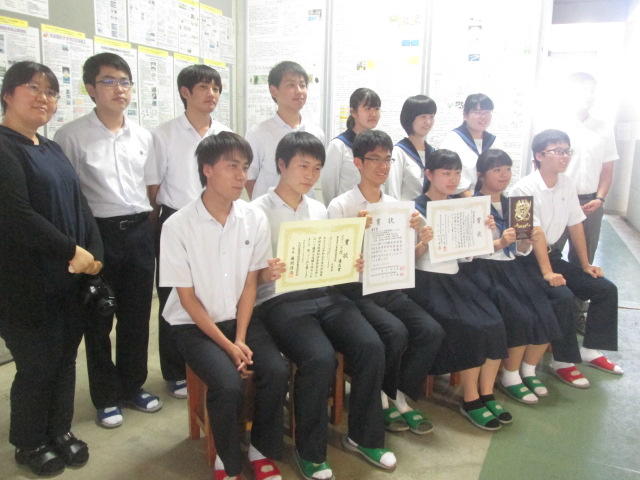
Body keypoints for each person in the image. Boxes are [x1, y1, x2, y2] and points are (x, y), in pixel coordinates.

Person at [253, 131, 395, 479]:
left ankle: (363, 437)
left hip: (325, 294)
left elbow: (333, 256)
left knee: (371, 345)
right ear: (281, 165)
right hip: (280, 300)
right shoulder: (256, 211)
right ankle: (310, 450)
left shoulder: (318, 208)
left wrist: (350, 260)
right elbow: (245, 273)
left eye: (317, 168)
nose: (311, 175)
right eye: (303, 166)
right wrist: (265, 272)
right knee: (319, 358)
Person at [160, 132, 288, 480]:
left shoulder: (253, 217)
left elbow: (250, 284)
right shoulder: (177, 226)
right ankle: (227, 461)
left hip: (239, 318)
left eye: (244, 167)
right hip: (194, 325)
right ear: (207, 169)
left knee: (276, 371)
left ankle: (261, 449)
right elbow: (187, 299)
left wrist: (241, 338)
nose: (241, 176)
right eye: (232, 166)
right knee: (227, 384)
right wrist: (228, 346)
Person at [0, 61, 103, 476]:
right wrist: (71, 250)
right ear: (7, 95)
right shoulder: (4, 148)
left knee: (65, 357)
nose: (44, 98)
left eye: (52, 91)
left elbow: (80, 204)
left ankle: (59, 430)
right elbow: (16, 215)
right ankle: (29, 442)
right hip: (23, 281)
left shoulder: (51, 148)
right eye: (33, 88)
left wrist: (94, 253)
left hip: (68, 278)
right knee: (37, 363)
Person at [54, 53, 161, 428]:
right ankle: (105, 396)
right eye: (109, 81)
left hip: (139, 232)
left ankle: (133, 386)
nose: (119, 89)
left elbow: (151, 189)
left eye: (125, 81)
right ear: (90, 88)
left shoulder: (144, 135)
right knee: (98, 319)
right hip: (97, 234)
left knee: (136, 317)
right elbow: (68, 195)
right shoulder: (70, 136)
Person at [327, 129, 445, 434]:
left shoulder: (397, 206)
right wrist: (355, 230)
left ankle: (397, 392)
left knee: (431, 331)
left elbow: (406, 258)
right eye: (375, 159)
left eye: (387, 159)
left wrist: (423, 242)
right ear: (358, 162)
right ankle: (381, 394)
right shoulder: (340, 206)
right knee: (394, 331)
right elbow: (333, 262)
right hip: (354, 290)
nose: (383, 166)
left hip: (389, 285)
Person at [510, 129, 622, 388]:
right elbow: (532, 236)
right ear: (539, 156)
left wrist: (585, 265)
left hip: (552, 256)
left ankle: (590, 349)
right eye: (557, 151)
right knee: (563, 296)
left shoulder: (567, 184)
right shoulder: (521, 190)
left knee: (604, 288)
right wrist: (547, 273)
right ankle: (562, 361)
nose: (564, 157)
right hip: (525, 262)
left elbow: (575, 224)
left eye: (567, 151)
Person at [407, 149, 510, 431]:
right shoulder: (414, 209)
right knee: (471, 327)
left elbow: (468, 254)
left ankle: (487, 392)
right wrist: (424, 242)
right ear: (429, 174)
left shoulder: (461, 207)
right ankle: (470, 397)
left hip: (457, 278)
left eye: (456, 173)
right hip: (427, 281)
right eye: (445, 173)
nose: (452, 179)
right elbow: (407, 260)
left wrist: (489, 233)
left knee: (495, 322)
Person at [149, 64, 232, 399]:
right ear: (185, 92)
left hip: (216, 220)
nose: (211, 94)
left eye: (216, 88)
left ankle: (212, 360)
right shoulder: (164, 134)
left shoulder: (225, 134)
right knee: (173, 296)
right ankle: (174, 371)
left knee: (212, 292)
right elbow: (153, 187)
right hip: (176, 221)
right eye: (204, 87)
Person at [462, 149, 563, 404]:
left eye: (507, 169)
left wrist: (526, 241)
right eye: (496, 170)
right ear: (481, 174)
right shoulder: (471, 205)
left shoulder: (517, 205)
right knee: (520, 314)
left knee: (545, 309)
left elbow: (519, 251)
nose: (504, 175)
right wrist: (500, 242)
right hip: (482, 269)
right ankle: (510, 375)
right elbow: (467, 251)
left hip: (511, 266)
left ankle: (528, 370)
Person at [547, 73, 619, 331]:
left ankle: (576, 314)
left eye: (591, 91)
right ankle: (553, 312)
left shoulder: (603, 127)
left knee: (583, 259)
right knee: (551, 254)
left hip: (590, 203)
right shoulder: (555, 124)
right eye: (582, 90)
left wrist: (600, 198)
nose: (588, 96)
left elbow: (607, 170)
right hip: (558, 200)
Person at [245, 60, 325, 200]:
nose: (299, 91)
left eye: (302, 85)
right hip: (268, 210)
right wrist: (263, 206)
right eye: (291, 85)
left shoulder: (315, 133)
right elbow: (249, 177)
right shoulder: (258, 133)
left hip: (303, 209)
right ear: (273, 90)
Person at [321, 87, 381, 204]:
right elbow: (328, 188)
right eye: (368, 108)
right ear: (353, 112)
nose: (373, 114)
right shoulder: (338, 146)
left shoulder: (379, 147)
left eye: (377, 109)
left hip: (374, 211)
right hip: (346, 212)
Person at [439, 93, 503, 196]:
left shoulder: (494, 142)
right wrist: (469, 197)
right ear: (465, 115)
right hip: (458, 198)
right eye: (478, 112)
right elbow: (444, 172)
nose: (483, 117)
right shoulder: (452, 139)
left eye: (487, 112)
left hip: (489, 197)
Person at [385, 95, 437, 201]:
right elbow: (392, 192)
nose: (428, 122)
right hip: (406, 210)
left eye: (431, 117)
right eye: (423, 116)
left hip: (431, 210)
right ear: (410, 118)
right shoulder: (398, 152)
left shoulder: (433, 153)